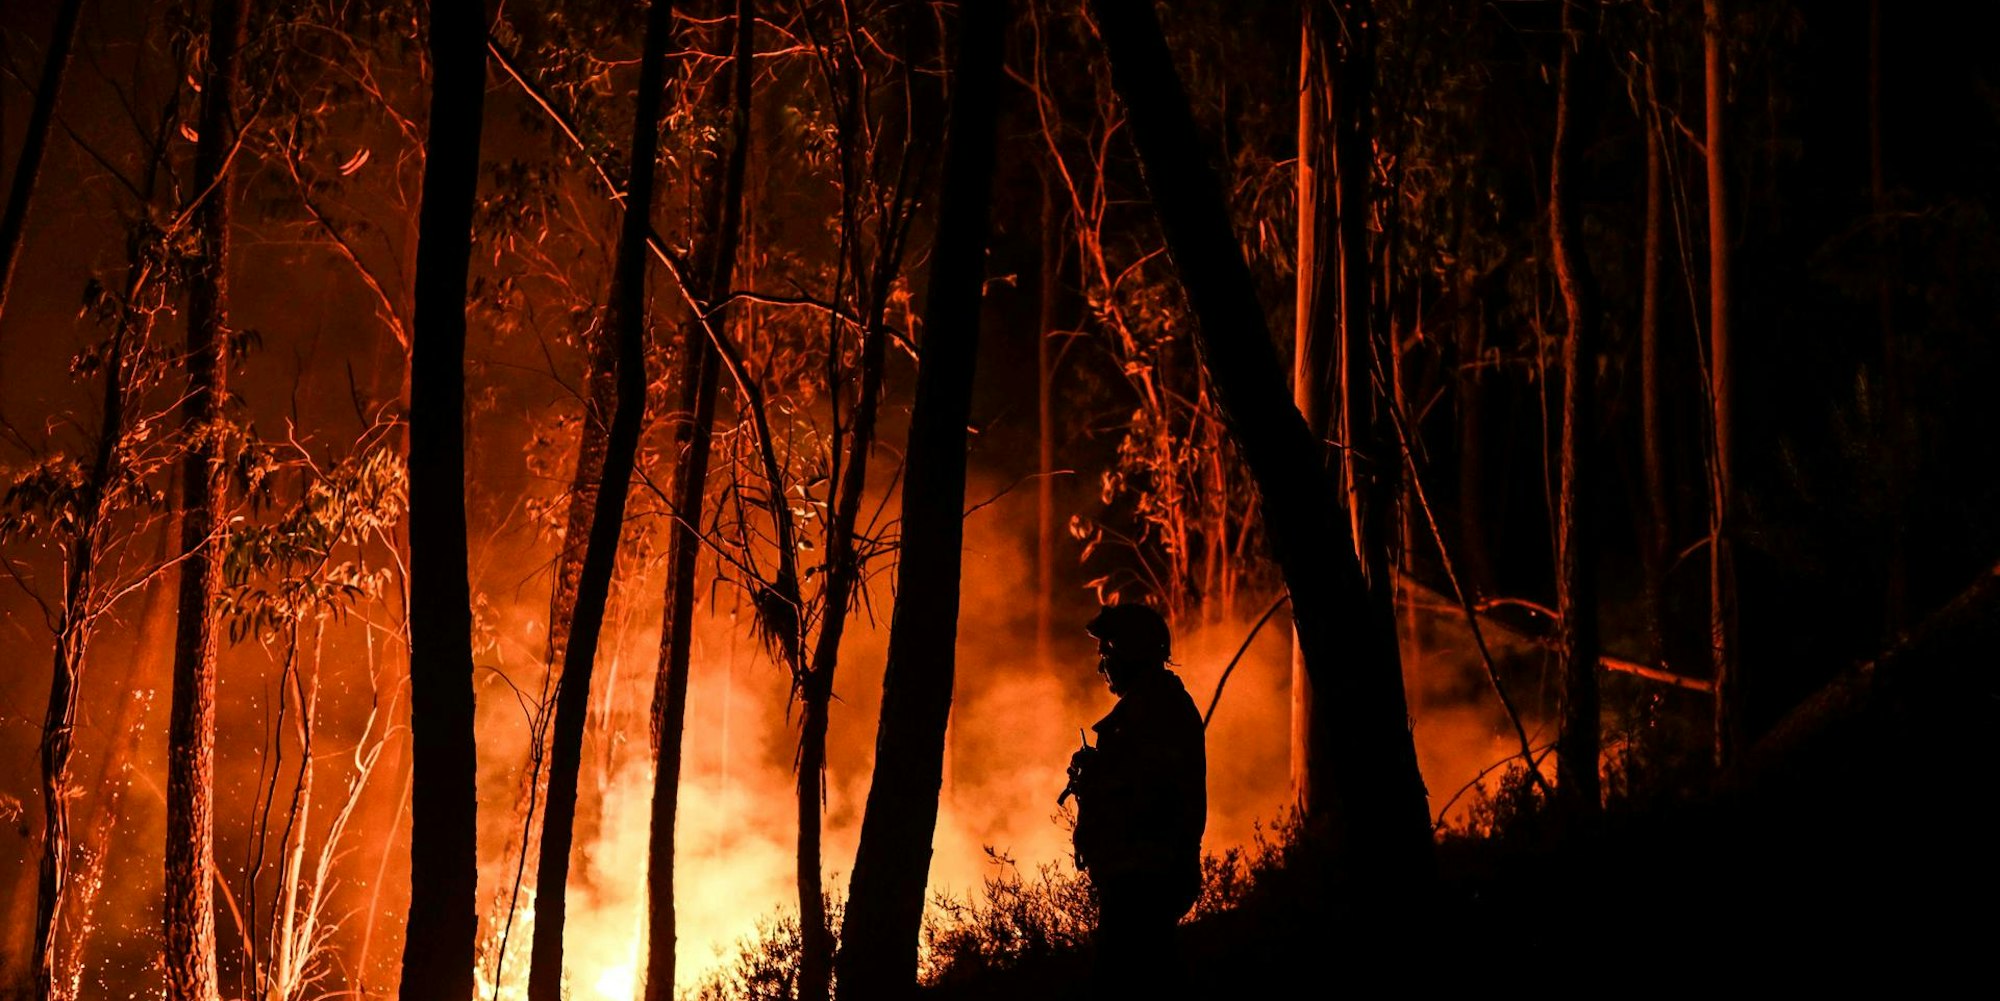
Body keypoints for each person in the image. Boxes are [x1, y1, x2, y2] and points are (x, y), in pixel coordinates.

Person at [1066, 603, 1206, 993]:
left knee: (1125, 987)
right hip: (1143, 874)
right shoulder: (1155, 709)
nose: (1101, 667)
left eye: (1106, 654)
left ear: (1131, 651)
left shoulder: (1153, 714)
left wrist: (1098, 777)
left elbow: (1146, 796)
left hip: (1143, 878)